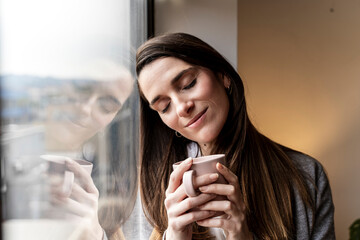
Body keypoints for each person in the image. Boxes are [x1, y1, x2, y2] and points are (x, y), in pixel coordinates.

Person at [136, 32, 335, 240]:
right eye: (164, 107)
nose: (181, 108)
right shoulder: (158, 189)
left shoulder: (305, 176)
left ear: (223, 75)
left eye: (188, 84)